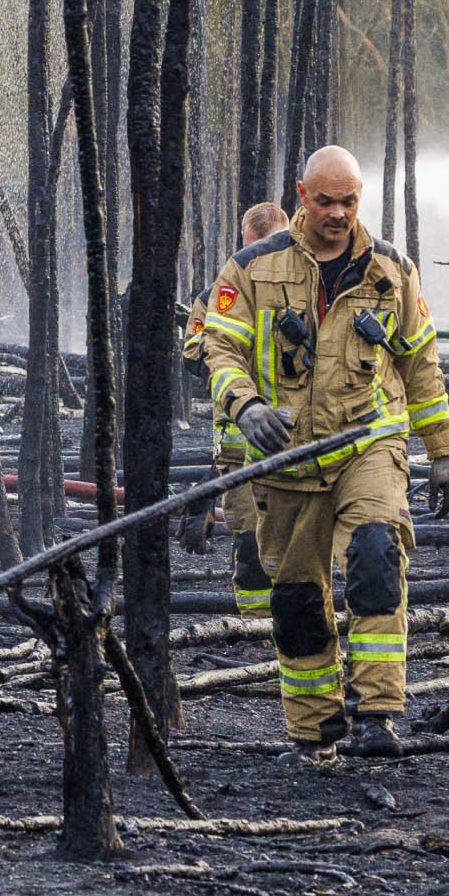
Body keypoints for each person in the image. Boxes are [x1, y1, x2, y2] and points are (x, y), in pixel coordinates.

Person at [200, 147, 449, 759]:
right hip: (286, 459)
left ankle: (378, 713)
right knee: (295, 600)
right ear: (301, 194)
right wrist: (247, 407)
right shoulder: (251, 269)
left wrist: (442, 451)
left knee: (375, 554)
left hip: (369, 442)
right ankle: (316, 729)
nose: (339, 214)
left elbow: (420, 364)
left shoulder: (391, 272)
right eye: (326, 201)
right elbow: (220, 351)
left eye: (349, 201)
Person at [193, 200, 292, 606]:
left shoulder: (308, 292)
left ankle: (293, 626)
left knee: (298, 547)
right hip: (238, 450)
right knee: (249, 546)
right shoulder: (216, 296)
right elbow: (194, 353)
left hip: (297, 445)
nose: (257, 260)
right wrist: (230, 357)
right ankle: (253, 631)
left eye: (266, 248)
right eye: (250, 249)